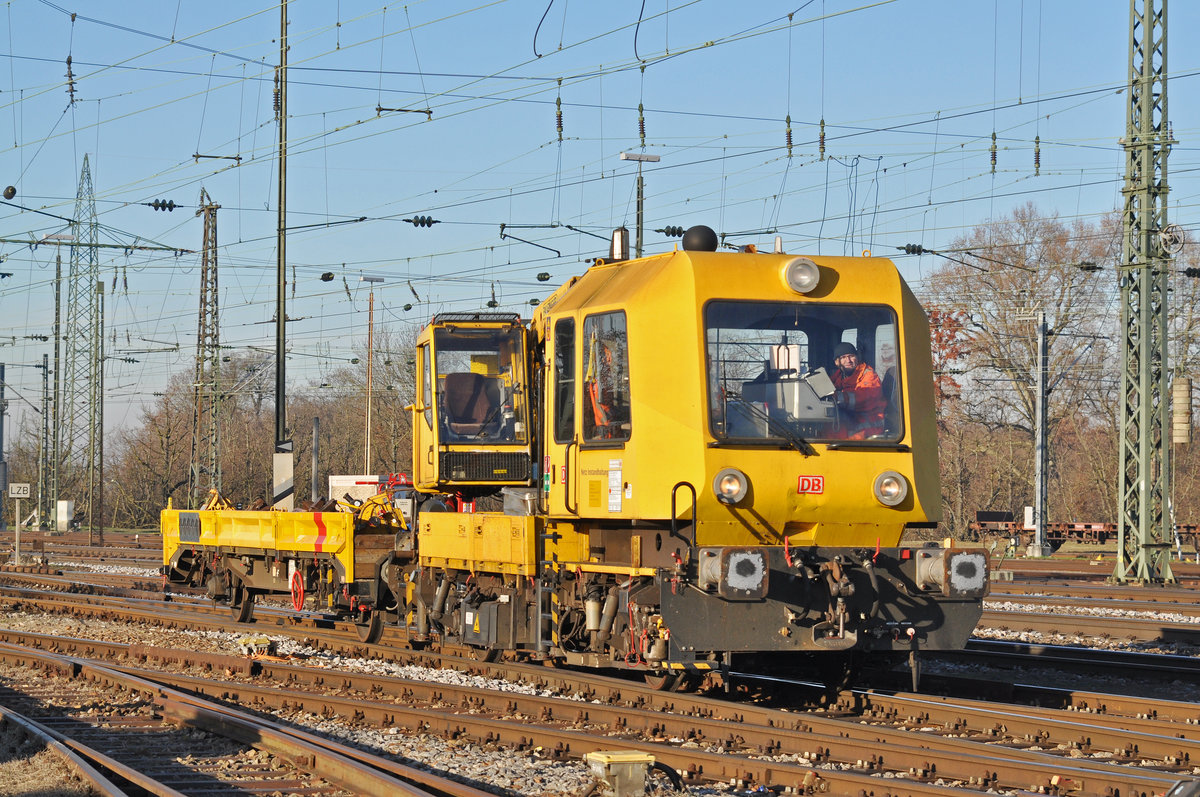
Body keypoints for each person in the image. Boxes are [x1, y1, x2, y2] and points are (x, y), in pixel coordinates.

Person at [830, 342, 886, 439]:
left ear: (857, 358)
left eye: (851, 356)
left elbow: (864, 398)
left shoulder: (869, 375)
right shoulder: (839, 375)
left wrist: (835, 397)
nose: (848, 360)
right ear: (836, 362)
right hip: (849, 420)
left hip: (867, 426)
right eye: (843, 357)